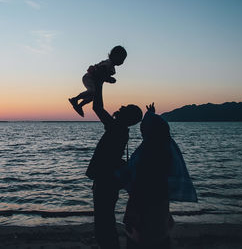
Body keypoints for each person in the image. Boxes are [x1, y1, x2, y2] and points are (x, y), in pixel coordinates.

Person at [85, 80, 142, 249]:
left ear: (128, 118)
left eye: (127, 108)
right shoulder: (121, 130)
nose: (122, 106)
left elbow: (97, 109)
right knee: (106, 222)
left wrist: (100, 83)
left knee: (103, 226)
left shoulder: (117, 128)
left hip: (105, 182)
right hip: (109, 182)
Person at [123, 103, 174, 249]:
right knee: (160, 240)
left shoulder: (147, 154)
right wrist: (150, 115)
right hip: (161, 208)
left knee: (141, 241)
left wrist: (132, 216)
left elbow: (140, 187)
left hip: (145, 211)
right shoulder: (164, 151)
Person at [69, 45, 127, 117]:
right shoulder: (108, 64)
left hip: (93, 79)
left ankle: (80, 105)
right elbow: (100, 73)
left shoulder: (111, 67)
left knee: (93, 96)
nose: (122, 62)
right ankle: (75, 99)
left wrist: (108, 79)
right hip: (88, 78)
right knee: (93, 91)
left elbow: (102, 76)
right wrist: (109, 79)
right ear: (115, 56)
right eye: (122, 59)